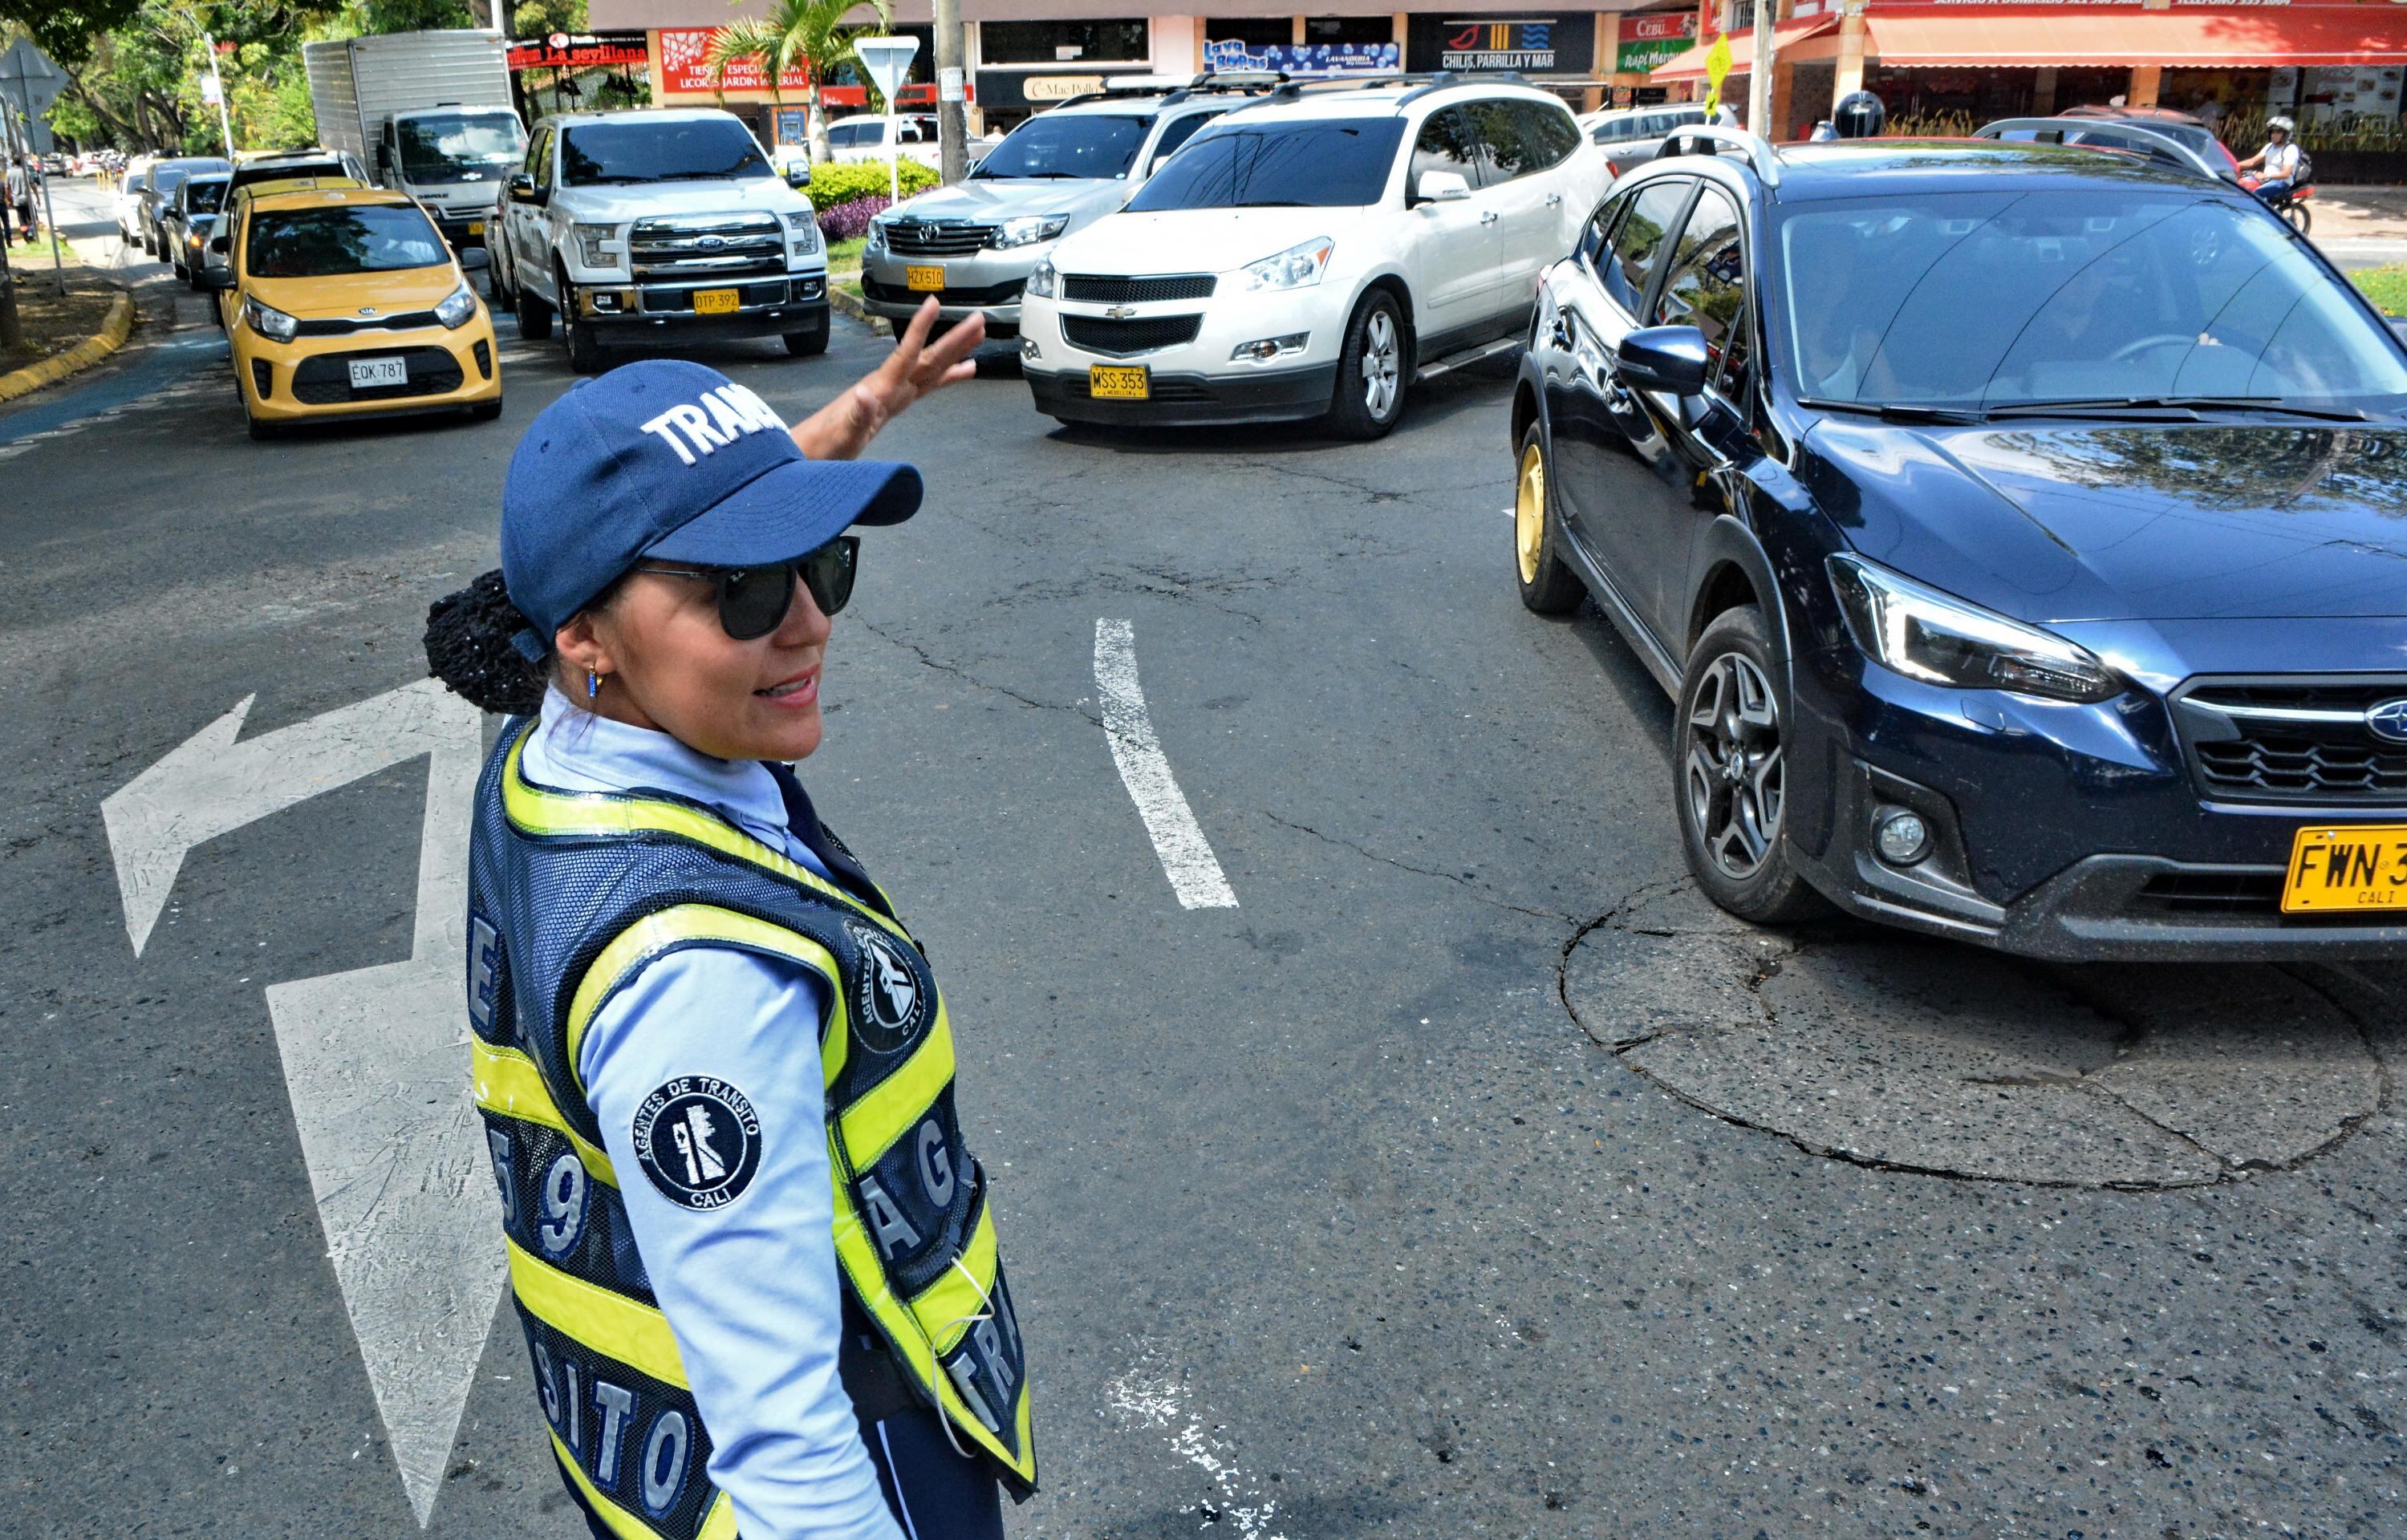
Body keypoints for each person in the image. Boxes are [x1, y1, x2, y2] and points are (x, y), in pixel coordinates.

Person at [424, 302, 1039, 1540]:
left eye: (824, 558)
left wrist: (863, 412)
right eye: (746, 591)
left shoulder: (548, 742)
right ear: (585, 634)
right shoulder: (696, 979)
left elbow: (678, 543)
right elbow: (784, 1436)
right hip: (866, 1462)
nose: (809, 618)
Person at [2238, 116, 2303, 204]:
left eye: (2278, 132)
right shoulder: (2269, 146)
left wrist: (2266, 176)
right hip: (2266, 180)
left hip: (2282, 183)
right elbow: (2252, 162)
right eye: (2272, 132)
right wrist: (2233, 164)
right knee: (2241, 186)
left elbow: (2286, 174)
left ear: (2286, 134)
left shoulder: (2290, 149)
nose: (2274, 135)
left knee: (2257, 194)